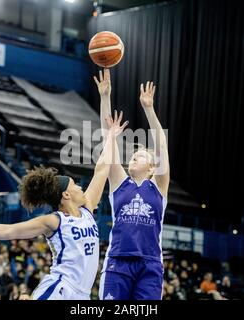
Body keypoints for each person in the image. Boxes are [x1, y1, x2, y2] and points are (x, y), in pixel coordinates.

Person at [0, 113, 127, 300]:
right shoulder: (54, 221)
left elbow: (102, 168)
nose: (80, 187)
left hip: (82, 295)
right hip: (60, 288)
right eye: (75, 185)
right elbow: (8, 231)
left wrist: (111, 137)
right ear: (66, 195)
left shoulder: (87, 208)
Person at [94, 69, 170, 300]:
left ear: (152, 168)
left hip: (150, 264)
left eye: (140, 157)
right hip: (119, 260)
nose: (133, 158)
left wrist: (148, 108)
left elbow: (162, 146)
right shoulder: (119, 183)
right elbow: (108, 138)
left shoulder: (159, 186)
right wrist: (105, 97)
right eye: (133, 156)